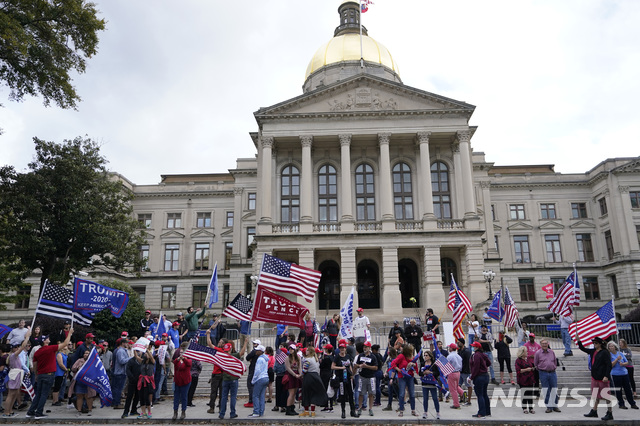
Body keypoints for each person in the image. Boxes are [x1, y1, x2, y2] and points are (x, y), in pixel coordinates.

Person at [27, 328, 73, 420]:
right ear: (44, 341)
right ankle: (39, 413)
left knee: (38, 394)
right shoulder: (50, 348)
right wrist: (70, 334)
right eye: (47, 338)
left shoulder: (37, 352)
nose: (49, 339)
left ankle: (30, 411)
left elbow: (35, 365)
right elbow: (65, 344)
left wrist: (36, 374)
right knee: (44, 394)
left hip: (40, 374)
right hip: (49, 374)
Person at [579, 336, 613, 421]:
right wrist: (579, 341)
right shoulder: (593, 351)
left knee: (606, 396)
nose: (594, 344)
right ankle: (594, 411)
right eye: (593, 343)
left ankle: (610, 413)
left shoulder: (605, 352)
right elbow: (583, 349)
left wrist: (606, 376)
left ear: (600, 344)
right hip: (595, 377)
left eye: (596, 343)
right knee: (595, 395)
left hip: (602, 378)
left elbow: (609, 365)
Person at [3, 328, 32, 418]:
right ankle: (6, 412)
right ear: (13, 348)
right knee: (11, 394)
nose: (17, 348)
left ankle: (10, 410)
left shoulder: (16, 355)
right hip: (14, 375)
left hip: (18, 374)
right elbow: (23, 347)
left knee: (15, 393)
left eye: (17, 346)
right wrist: (27, 337)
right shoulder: (13, 355)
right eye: (16, 347)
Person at [607, 341, 638, 410]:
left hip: (624, 373)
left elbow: (627, 362)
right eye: (610, 346)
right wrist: (616, 359)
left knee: (628, 389)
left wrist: (623, 364)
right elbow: (610, 365)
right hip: (616, 374)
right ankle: (621, 404)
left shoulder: (620, 353)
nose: (611, 347)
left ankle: (632, 403)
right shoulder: (609, 355)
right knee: (619, 390)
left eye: (612, 346)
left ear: (615, 347)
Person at [299, 346, 328, 417]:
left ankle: (306, 411)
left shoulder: (307, 360)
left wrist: (300, 375)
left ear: (310, 352)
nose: (306, 351)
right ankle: (313, 412)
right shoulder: (316, 359)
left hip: (309, 377)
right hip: (316, 376)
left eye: (307, 350)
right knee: (314, 394)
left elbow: (305, 370)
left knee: (306, 393)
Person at [534, 339, 560, 413]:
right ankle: (549, 406)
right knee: (546, 390)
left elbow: (555, 361)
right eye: (543, 344)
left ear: (548, 344)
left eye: (546, 343)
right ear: (540, 344)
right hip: (543, 373)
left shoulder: (552, 352)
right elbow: (535, 363)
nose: (544, 345)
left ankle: (555, 406)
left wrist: (553, 367)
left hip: (552, 373)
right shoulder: (538, 353)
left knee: (554, 389)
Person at [390, 344, 417, 417]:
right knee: (402, 394)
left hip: (410, 377)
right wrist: (399, 370)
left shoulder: (413, 357)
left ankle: (413, 410)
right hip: (402, 377)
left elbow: (416, 367)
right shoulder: (401, 356)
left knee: (412, 394)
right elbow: (393, 363)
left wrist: (413, 365)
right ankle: (401, 410)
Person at [332, 341, 357, 418]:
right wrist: (341, 368)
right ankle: (343, 411)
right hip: (341, 378)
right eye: (341, 348)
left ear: (345, 349)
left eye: (343, 348)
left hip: (348, 378)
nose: (342, 349)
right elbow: (332, 367)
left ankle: (352, 411)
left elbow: (349, 365)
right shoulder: (337, 357)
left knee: (350, 394)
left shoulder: (348, 356)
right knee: (342, 395)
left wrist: (352, 374)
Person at [354, 341, 378, 417]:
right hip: (362, 377)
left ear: (369, 348)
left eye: (366, 347)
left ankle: (370, 408)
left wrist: (367, 366)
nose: (365, 348)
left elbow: (376, 367)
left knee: (371, 394)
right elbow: (356, 364)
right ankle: (360, 408)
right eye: (364, 347)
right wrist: (359, 366)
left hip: (371, 377)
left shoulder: (373, 357)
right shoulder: (360, 356)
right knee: (361, 393)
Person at [218, 342, 240, 420]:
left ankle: (222, 413)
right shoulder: (233, 357)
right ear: (230, 349)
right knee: (233, 397)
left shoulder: (222, 357)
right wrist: (245, 343)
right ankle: (232, 413)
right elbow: (242, 353)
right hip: (233, 379)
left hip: (225, 379)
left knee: (224, 397)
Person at [470, 341, 491, 419]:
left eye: (474, 346)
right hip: (485, 375)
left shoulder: (476, 355)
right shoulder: (483, 355)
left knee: (480, 395)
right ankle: (487, 411)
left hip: (479, 376)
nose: (473, 347)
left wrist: (472, 377)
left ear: (477, 347)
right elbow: (489, 363)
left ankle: (481, 412)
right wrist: (484, 366)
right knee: (484, 394)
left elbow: (476, 367)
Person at [71, 350, 95, 416]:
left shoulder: (93, 361)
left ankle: (90, 410)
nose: (86, 354)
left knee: (89, 396)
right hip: (79, 381)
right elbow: (73, 368)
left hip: (89, 382)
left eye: (87, 353)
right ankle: (79, 410)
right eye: (85, 353)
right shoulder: (79, 360)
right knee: (79, 396)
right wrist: (78, 368)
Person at [172, 343, 192, 421]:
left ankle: (183, 412)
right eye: (180, 352)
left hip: (185, 381)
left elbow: (188, 364)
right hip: (177, 381)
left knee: (184, 397)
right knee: (176, 397)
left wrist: (183, 358)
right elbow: (174, 363)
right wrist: (178, 359)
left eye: (182, 352)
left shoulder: (188, 360)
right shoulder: (176, 361)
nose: (181, 354)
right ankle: (175, 412)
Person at [248, 345, 269, 418]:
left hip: (260, 378)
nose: (256, 351)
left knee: (255, 395)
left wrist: (253, 380)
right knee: (262, 396)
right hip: (266, 377)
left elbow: (257, 370)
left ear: (261, 351)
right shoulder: (266, 358)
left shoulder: (259, 359)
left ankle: (256, 411)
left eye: (257, 350)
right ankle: (261, 411)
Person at [418, 350, 440, 420]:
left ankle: (438, 412)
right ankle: (425, 412)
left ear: (430, 356)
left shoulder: (434, 364)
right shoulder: (422, 364)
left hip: (432, 383)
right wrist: (424, 373)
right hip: (425, 383)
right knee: (425, 399)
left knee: (435, 398)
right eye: (424, 355)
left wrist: (430, 372)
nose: (425, 357)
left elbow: (437, 373)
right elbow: (419, 373)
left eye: (426, 355)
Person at [121, 349, 142, 419]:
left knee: (137, 396)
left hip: (139, 381)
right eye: (137, 351)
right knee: (129, 396)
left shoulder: (142, 361)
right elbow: (128, 370)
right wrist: (132, 378)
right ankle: (126, 411)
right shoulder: (131, 361)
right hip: (132, 381)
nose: (139, 353)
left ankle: (134, 409)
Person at [515, 346, 536, 414]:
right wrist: (526, 369)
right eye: (525, 351)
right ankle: (524, 408)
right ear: (522, 352)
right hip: (523, 379)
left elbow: (532, 365)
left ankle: (531, 407)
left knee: (530, 393)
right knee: (524, 393)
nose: (527, 352)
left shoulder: (529, 359)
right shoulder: (518, 360)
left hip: (530, 378)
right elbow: (518, 370)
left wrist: (532, 368)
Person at [111, 338, 131, 409]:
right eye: (126, 343)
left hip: (121, 372)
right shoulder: (120, 351)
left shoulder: (122, 351)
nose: (127, 344)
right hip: (120, 372)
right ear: (122, 343)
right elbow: (121, 361)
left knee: (118, 388)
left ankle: (116, 402)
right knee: (118, 389)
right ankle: (117, 403)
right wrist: (130, 358)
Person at [137, 344, 156, 419]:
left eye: (147, 354)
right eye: (145, 354)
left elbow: (151, 357)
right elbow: (136, 357)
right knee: (141, 397)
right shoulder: (142, 362)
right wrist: (135, 350)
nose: (146, 355)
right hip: (142, 381)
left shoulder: (152, 363)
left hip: (149, 382)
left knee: (147, 397)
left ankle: (149, 411)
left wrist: (147, 350)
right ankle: (143, 412)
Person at [447, 343, 465, 409]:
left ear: (451, 348)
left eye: (449, 347)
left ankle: (456, 404)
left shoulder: (450, 356)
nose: (449, 348)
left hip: (452, 373)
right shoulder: (458, 356)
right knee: (456, 386)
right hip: (458, 372)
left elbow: (447, 365)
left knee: (452, 389)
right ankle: (462, 392)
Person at [244, 339, 260, 408]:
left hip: (253, 370)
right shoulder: (260, 353)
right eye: (253, 343)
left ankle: (251, 400)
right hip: (257, 370)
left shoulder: (254, 352)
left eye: (255, 344)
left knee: (250, 385)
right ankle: (254, 400)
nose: (253, 345)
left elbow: (247, 357)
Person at [319, 344, 335, 412]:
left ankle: (326, 405)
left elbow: (321, 366)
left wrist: (321, 362)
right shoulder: (332, 357)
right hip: (330, 374)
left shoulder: (326, 358)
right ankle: (331, 405)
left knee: (325, 389)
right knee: (330, 389)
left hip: (325, 374)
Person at [382, 347, 398, 411]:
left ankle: (401, 405)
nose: (387, 352)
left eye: (388, 351)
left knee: (397, 392)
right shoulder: (389, 359)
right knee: (390, 392)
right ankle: (389, 405)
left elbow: (394, 369)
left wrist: (391, 378)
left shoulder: (394, 360)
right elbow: (388, 367)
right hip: (389, 377)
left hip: (394, 377)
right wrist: (386, 372)